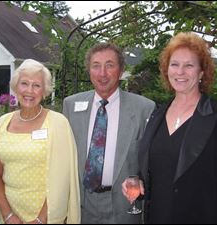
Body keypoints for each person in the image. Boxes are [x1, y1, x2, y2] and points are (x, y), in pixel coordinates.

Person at [123, 32, 217, 224]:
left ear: (201, 73)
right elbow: (158, 168)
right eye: (175, 64)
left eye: (189, 65)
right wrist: (140, 182)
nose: (180, 72)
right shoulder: (157, 114)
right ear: (166, 70)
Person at [63, 43, 155, 224]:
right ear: (89, 70)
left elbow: (151, 160)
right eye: (96, 66)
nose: (102, 73)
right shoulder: (71, 106)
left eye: (110, 65)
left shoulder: (144, 108)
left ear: (121, 71)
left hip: (125, 206)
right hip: (82, 204)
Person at [0, 59, 80, 224]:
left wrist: (40, 220)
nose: (29, 91)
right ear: (15, 87)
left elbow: (62, 180)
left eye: (36, 85)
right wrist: (8, 215)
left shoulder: (58, 123)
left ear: (44, 91)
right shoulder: (3, 122)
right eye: (24, 83)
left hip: (47, 218)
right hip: (10, 217)